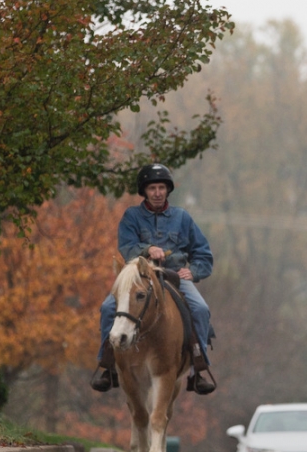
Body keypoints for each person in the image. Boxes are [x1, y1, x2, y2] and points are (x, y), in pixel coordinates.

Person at [90, 164, 216, 395]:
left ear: (168, 190)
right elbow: (127, 248)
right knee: (108, 307)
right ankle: (107, 364)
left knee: (200, 309)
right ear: (144, 191)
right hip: (139, 278)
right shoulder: (132, 216)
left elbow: (203, 253)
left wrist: (194, 271)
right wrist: (148, 249)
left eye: (161, 187)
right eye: (152, 188)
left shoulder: (182, 218)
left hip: (174, 277)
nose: (157, 192)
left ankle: (199, 367)